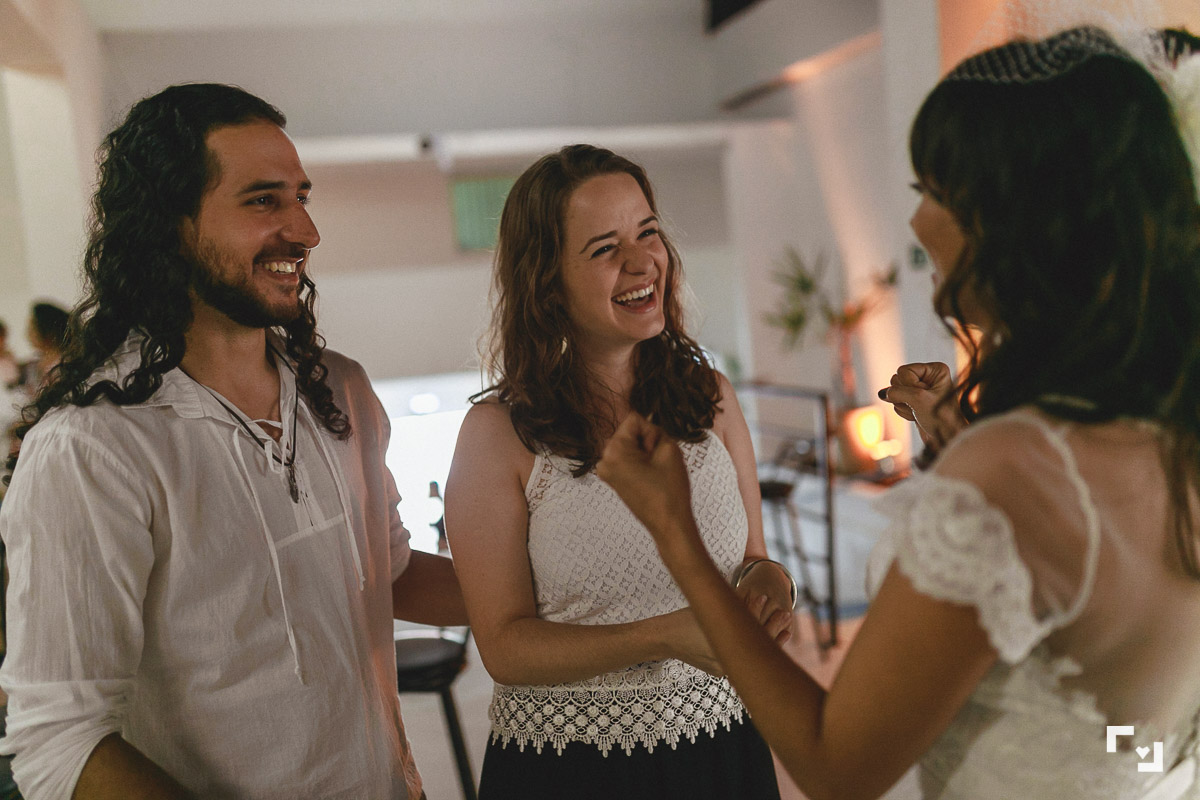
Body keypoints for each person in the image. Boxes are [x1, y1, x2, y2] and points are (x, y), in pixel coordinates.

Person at [597, 26, 1200, 800]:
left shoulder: (1013, 472)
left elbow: (835, 767)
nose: (915, 225)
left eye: (931, 192)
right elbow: (1142, 727)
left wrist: (677, 536)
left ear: (1016, 220)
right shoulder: (1164, 426)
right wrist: (1098, 770)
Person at [0, 83, 466, 800]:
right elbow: (60, 739)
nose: (305, 230)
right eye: (263, 201)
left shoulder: (340, 392)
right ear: (168, 223)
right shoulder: (93, 450)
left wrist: (581, 590)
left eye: (301, 196)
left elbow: (390, 572)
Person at [444, 144, 793, 799]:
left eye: (648, 233)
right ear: (546, 280)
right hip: (571, 768)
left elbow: (755, 559)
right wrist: (665, 635)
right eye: (605, 248)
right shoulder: (497, 435)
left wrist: (772, 593)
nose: (641, 263)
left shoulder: (711, 396)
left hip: (726, 748)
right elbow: (504, 645)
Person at [18, 302, 68, 391]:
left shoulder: (64, 364)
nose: (28, 334)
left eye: (32, 328)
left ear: (49, 333)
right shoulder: (34, 362)